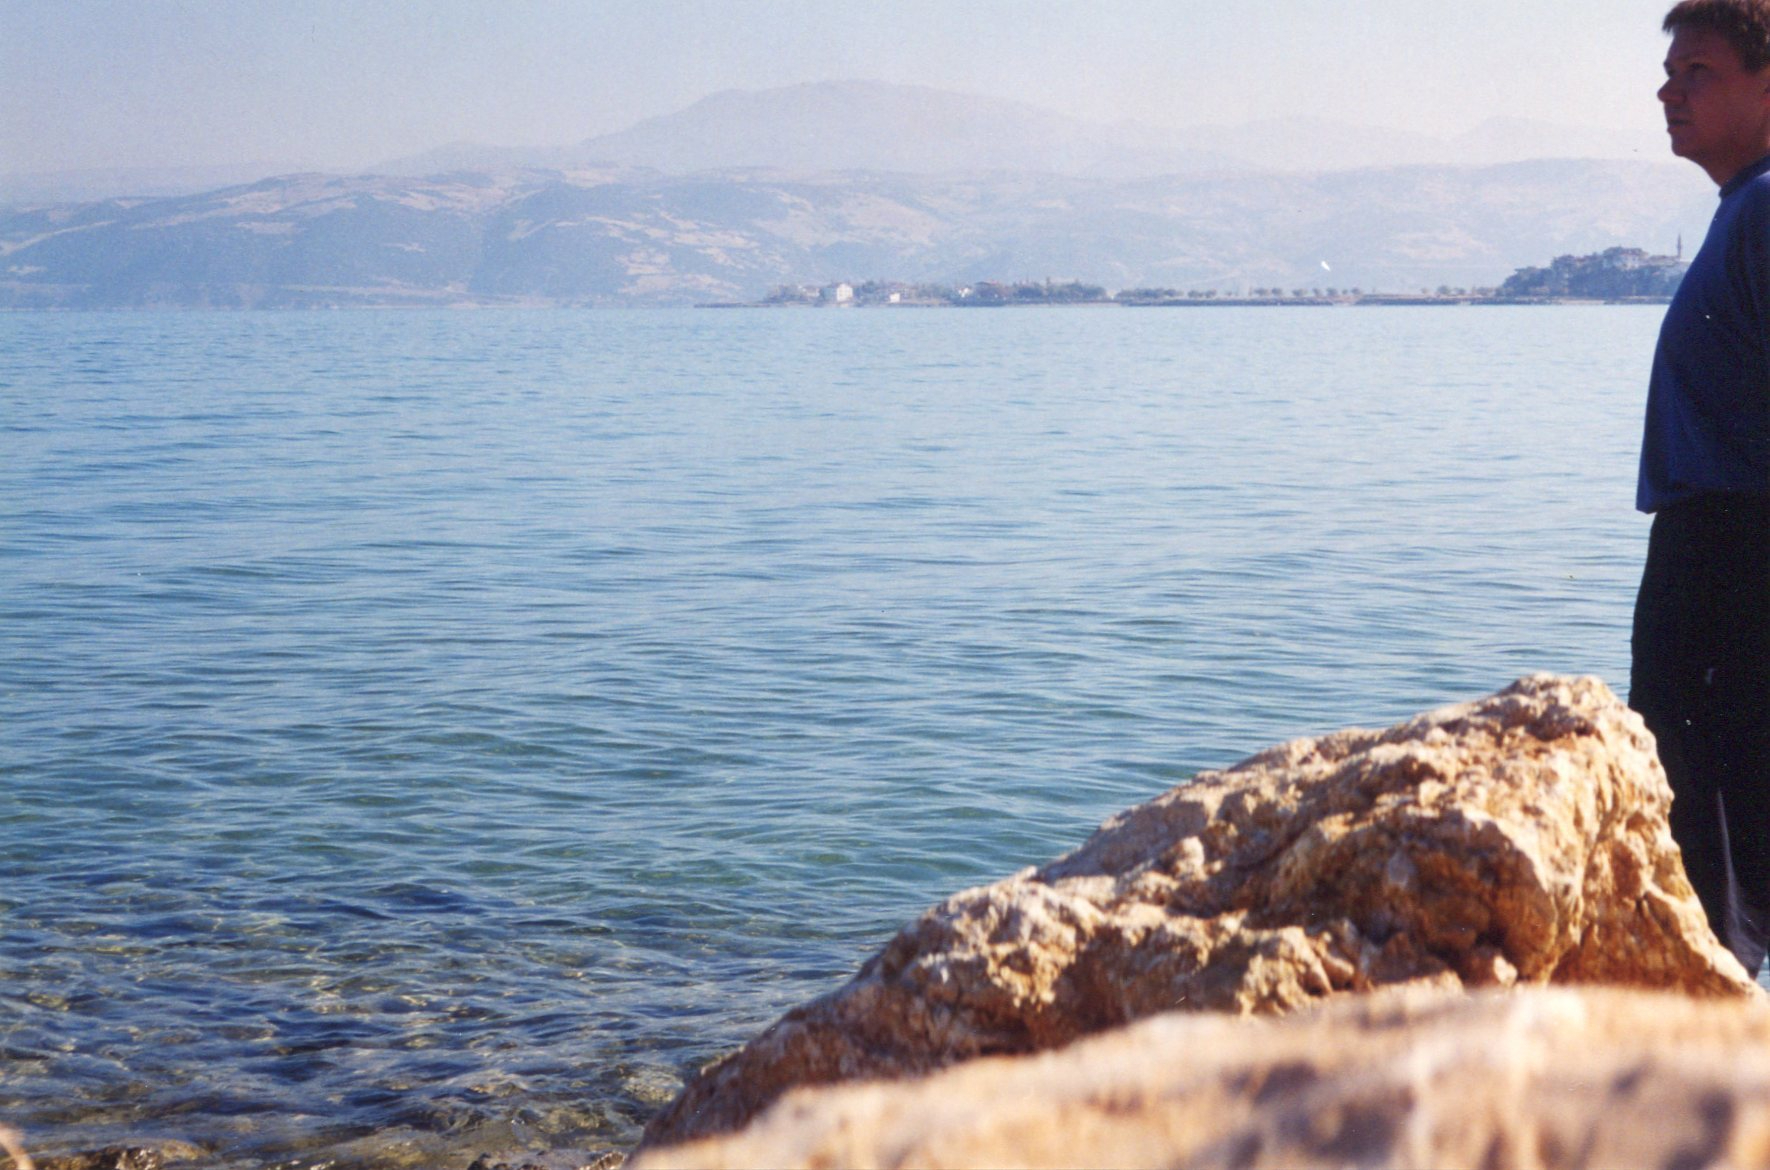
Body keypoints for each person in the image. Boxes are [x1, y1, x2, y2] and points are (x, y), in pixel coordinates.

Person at [1632, 0, 1770, 976]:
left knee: (1716, 868)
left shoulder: (1765, 210)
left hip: (1734, 567)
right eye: (1669, 73)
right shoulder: (1744, 209)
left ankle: (1718, 1055)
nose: (1668, 92)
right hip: (1716, 561)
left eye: (1699, 73)